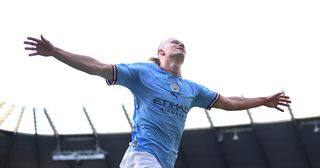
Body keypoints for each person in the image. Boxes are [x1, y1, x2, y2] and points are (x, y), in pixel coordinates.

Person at [24, 35, 291, 168]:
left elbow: (228, 102)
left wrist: (263, 100)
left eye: (183, 43)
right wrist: (55, 51)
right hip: (143, 156)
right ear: (160, 52)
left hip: (159, 161)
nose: (180, 44)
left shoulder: (192, 90)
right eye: (174, 42)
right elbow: (97, 66)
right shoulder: (143, 73)